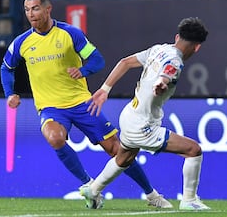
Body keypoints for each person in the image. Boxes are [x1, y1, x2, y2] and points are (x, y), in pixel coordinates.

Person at [0, 0, 172, 209]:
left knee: (117, 150)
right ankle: (90, 186)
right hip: (51, 108)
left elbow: (97, 60)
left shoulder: (71, 33)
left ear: (47, 8)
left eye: (35, 8)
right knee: (54, 137)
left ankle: (152, 195)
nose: (31, 14)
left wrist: (83, 71)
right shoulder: (21, 42)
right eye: (26, 10)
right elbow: (6, 68)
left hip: (82, 103)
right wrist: (10, 93)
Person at [80, 17, 210, 211]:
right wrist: (162, 83)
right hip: (143, 126)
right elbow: (168, 73)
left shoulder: (159, 49)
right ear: (197, 47)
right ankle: (189, 200)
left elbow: (125, 62)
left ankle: (94, 189)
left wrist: (105, 89)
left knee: (124, 158)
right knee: (193, 151)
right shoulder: (176, 60)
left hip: (129, 115)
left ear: (177, 37)